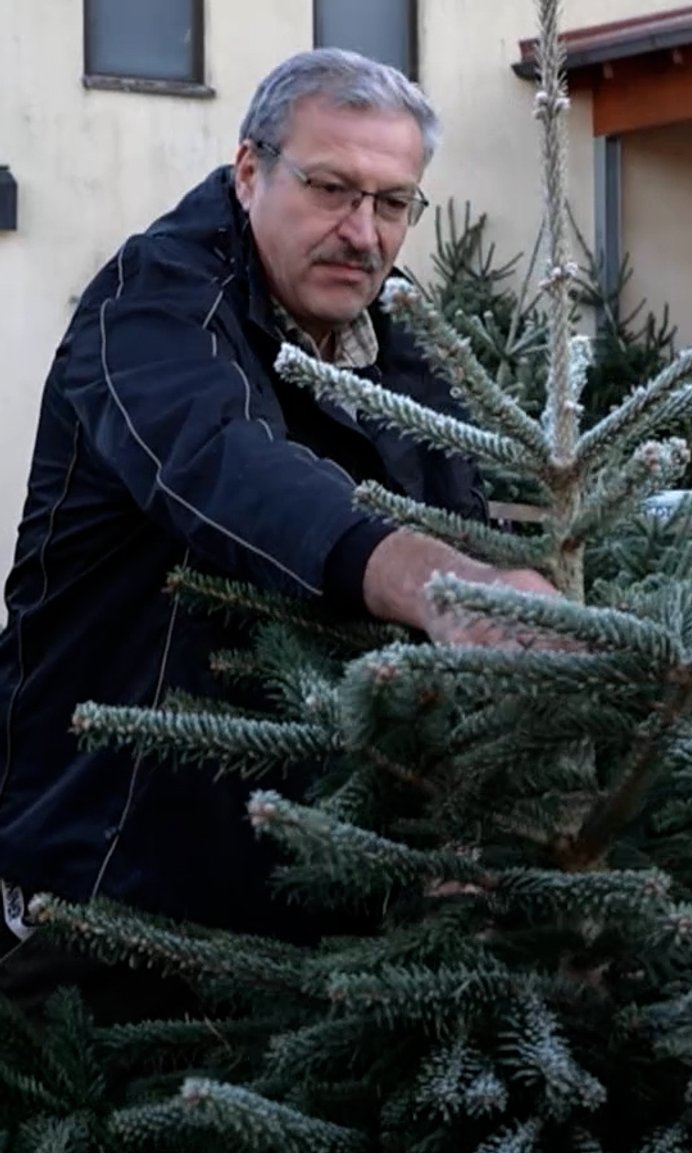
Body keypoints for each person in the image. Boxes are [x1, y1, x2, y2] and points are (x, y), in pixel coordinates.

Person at [0, 49, 557, 1019]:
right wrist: (436, 583)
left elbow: (463, 504)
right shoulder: (151, 303)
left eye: (393, 203)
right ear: (249, 171)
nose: (363, 232)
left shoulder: (399, 345)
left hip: (302, 896)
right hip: (101, 876)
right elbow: (226, 463)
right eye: (332, 188)